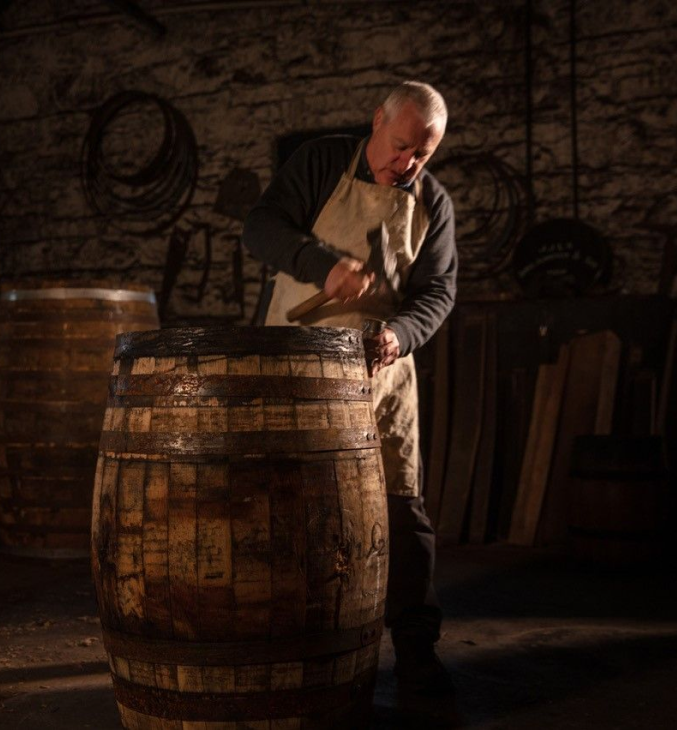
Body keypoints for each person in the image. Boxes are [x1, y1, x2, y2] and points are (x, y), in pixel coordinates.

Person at [242, 81, 457, 696]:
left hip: (380, 371)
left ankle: (417, 653)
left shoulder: (432, 203)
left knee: (401, 509)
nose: (406, 163)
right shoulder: (317, 163)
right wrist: (323, 266)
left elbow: (438, 293)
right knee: (284, 506)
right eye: (399, 147)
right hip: (294, 363)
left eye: (422, 154)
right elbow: (259, 229)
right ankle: (277, 642)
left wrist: (399, 334)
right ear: (376, 122)